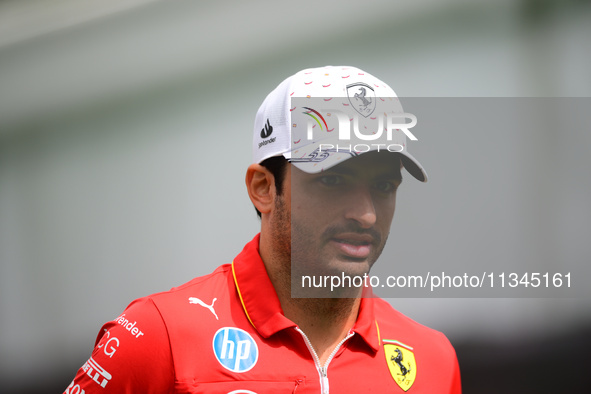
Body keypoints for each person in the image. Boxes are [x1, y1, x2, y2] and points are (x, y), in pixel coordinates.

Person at [64, 66, 461, 393]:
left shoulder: (432, 360)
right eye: (333, 180)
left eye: (384, 186)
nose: (367, 215)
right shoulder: (157, 336)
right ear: (263, 189)